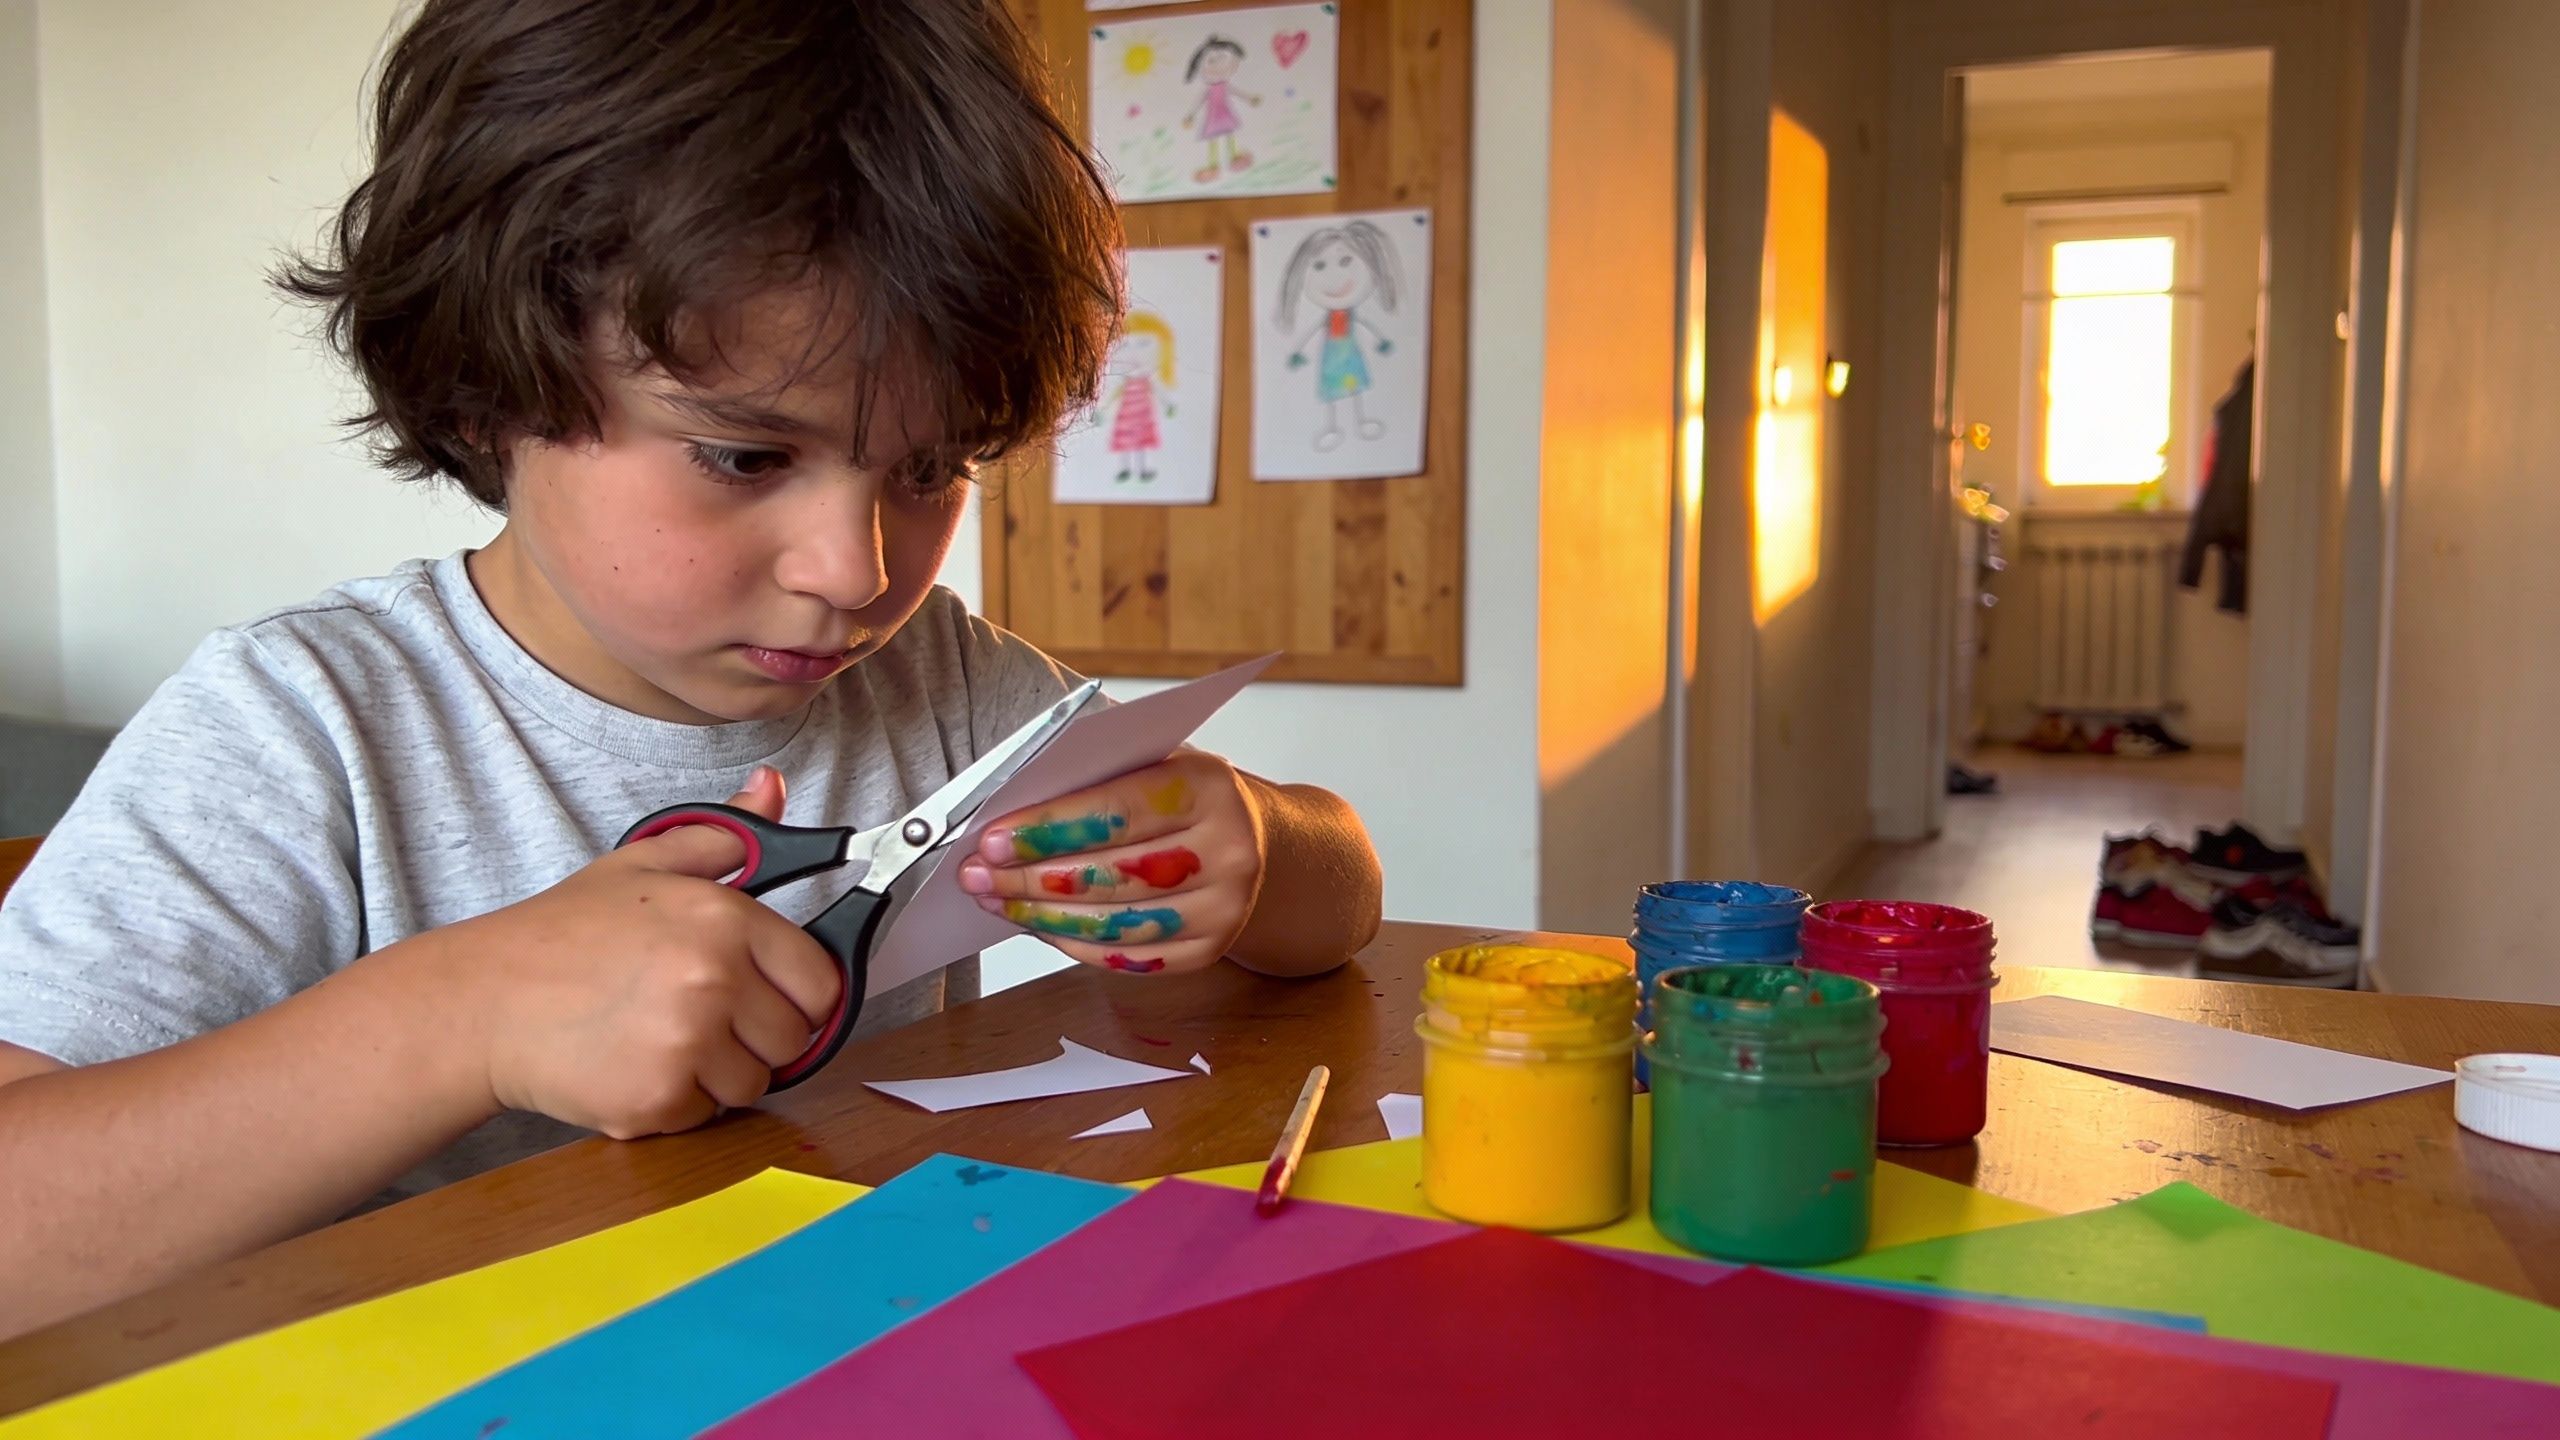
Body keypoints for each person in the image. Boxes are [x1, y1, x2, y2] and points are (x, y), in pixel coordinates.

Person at [0, 0, 1382, 1338]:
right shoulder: (304, 728)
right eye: (745, 456)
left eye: (927, 470)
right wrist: (456, 1018)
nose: (857, 569)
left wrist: (1250, 844)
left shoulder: (943, 692)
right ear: (492, 382)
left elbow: (1344, 899)